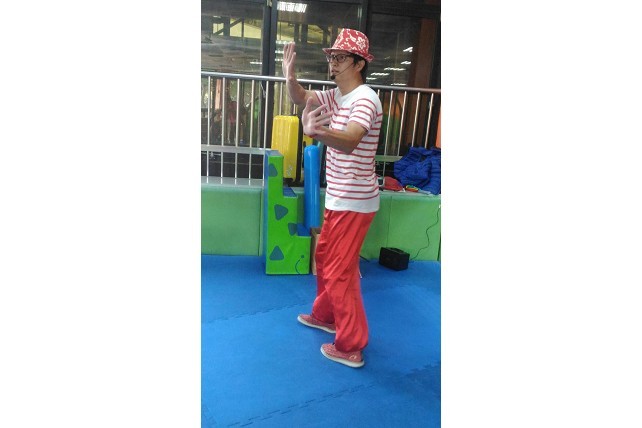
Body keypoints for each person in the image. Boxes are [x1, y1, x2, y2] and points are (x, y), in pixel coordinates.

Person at [282, 29, 383, 368]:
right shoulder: (337, 96)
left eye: (340, 58)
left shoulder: (365, 99)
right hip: (338, 198)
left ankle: (351, 345)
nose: (333, 63)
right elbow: (301, 97)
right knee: (324, 259)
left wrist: (318, 132)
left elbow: (351, 139)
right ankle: (326, 315)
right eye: (331, 57)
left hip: (355, 202)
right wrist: (290, 78)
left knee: (341, 272)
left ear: (359, 63)